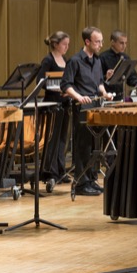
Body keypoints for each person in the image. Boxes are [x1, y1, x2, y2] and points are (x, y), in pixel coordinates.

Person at [60, 26, 114, 196]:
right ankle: (81, 183)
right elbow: (66, 85)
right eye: (97, 41)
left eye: (101, 41)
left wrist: (105, 93)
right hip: (81, 108)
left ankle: (91, 179)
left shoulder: (97, 61)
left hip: (96, 106)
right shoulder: (75, 61)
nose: (101, 44)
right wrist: (79, 96)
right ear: (87, 42)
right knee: (82, 145)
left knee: (94, 145)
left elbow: (98, 83)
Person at [37, 31, 72, 185]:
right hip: (52, 103)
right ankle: (49, 172)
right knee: (52, 139)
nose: (67, 47)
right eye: (64, 44)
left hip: (64, 103)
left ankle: (60, 169)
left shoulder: (64, 59)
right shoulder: (48, 60)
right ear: (56, 44)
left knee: (63, 139)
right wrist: (56, 88)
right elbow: (41, 81)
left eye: (68, 45)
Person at [100, 30, 137, 101]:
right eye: (121, 43)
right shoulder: (103, 57)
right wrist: (106, 76)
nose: (124, 46)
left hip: (121, 97)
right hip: (107, 97)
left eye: (126, 43)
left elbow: (131, 78)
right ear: (113, 42)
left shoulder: (126, 57)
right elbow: (98, 80)